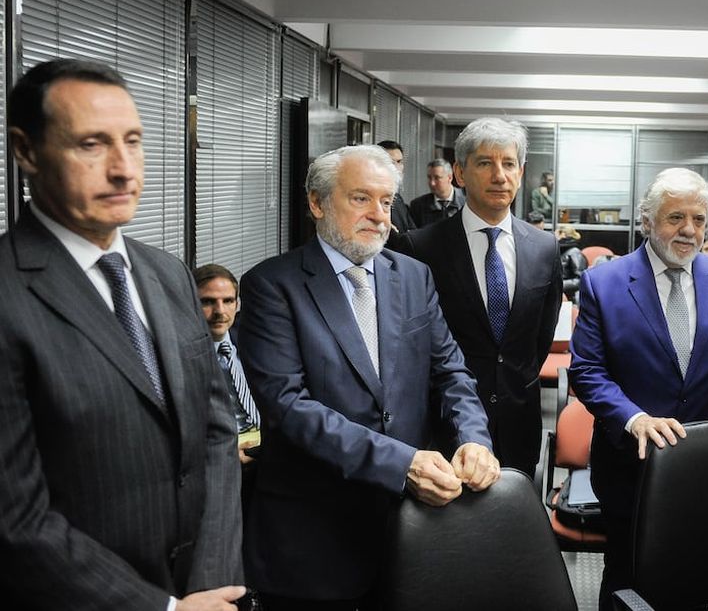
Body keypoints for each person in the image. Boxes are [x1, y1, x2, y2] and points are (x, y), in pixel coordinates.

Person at [0, 59, 244, 610]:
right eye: (91, 144)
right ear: (26, 151)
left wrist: (211, 584)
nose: (123, 169)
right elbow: (14, 520)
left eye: (132, 141)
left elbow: (214, 431)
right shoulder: (9, 294)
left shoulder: (168, 273)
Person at [238, 144, 499, 610]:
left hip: (413, 533)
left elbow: (451, 373)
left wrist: (473, 438)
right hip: (313, 541)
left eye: (385, 201)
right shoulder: (271, 286)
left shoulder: (414, 277)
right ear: (317, 203)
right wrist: (402, 464)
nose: (378, 215)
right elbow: (289, 406)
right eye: (360, 198)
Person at [569, 168, 708, 611]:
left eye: (699, 219)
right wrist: (635, 419)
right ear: (646, 221)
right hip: (631, 466)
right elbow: (588, 372)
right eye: (676, 217)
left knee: (702, 580)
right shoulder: (605, 282)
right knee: (628, 579)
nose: (689, 231)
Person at [399, 118, 562, 477]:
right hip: (444, 427)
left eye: (508, 164)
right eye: (485, 163)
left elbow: (539, 338)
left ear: (520, 173)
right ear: (459, 172)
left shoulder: (544, 247)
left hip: (519, 420)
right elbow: (411, 344)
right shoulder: (420, 247)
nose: (499, 175)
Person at [193, 264, 260, 458]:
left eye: (228, 301)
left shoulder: (254, 338)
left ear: (237, 304)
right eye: (207, 302)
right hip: (219, 454)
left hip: (266, 448)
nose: (220, 311)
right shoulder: (180, 356)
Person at [408, 158, 465, 228]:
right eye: (429, 177)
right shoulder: (418, 206)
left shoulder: (467, 201)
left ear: (450, 177)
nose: (432, 183)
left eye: (437, 178)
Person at [376, 139, 417, 235]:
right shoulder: (373, 199)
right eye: (391, 163)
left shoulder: (398, 199)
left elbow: (412, 231)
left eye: (399, 161)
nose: (396, 167)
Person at [556, 223, 588, 301]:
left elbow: (580, 280)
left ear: (563, 234)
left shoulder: (575, 253)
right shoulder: (558, 250)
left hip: (569, 296)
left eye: (556, 234)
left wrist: (557, 285)